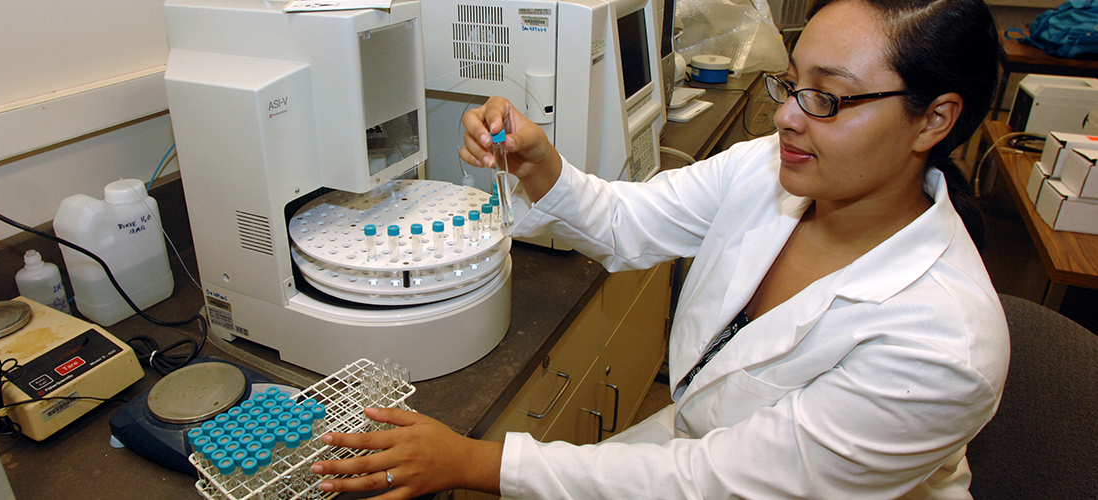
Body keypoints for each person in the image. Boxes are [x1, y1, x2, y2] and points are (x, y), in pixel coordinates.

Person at [310, 0, 1010, 497]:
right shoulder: (776, 166)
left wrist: (474, 462)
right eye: (793, 82)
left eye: (828, 98)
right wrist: (539, 164)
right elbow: (628, 221)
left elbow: (715, 483)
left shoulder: (941, 345)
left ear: (935, 118)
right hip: (694, 446)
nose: (789, 117)